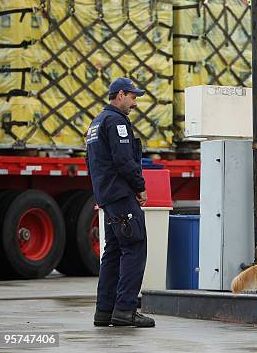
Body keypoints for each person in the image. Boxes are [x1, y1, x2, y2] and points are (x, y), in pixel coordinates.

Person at [85, 77, 155, 327]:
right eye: (133, 97)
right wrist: (140, 187)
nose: (134, 103)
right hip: (121, 195)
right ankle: (125, 310)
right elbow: (124, 160)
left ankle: (104, 311)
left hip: (107, 196)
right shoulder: (115, 121)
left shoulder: (96, 123)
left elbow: (91, 164)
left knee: (113, 252)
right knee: (134, 249)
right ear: (121, 94)